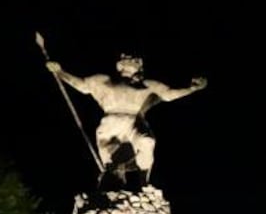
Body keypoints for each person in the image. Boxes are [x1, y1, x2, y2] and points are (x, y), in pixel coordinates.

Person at [46, 54, 207, 186]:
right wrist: (60, 72)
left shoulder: (148, 85)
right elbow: (81, 85)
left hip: (134, 121)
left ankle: (144, 181)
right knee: (111, 160)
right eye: (127, 59)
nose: (130, 61)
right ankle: (112, 179)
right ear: (119, 65)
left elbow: (170, 94)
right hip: (110, 122)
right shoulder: (103, 80)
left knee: (147, 141)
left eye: (134, 60)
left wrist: (191, 89)